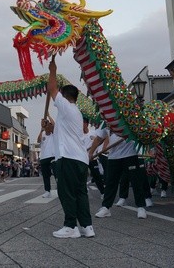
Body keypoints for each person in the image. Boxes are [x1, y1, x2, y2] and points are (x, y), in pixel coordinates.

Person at [47, 58, 94, 239]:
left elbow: (52, 88)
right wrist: (48, 127)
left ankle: (70, 226)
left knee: (66, 192)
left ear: (65, 96)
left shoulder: (66, 107)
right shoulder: (74, 113)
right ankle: (87, 226)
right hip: (80, 159)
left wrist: (53, 70)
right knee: (80, 192)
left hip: (68, 158)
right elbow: (57, 131)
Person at [89, 130, 147, 220]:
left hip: (130, 154)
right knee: (110, 183)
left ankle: (141, 207)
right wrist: (90, 153)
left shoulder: (129, 117)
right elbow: (98, 138)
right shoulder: (107, 121)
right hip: (113, 156)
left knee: (136, 181)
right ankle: (106, 207)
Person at [38, 116, 56, 198]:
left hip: (53, 156)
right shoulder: (42, 133)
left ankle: (61, 189)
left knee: (57, 174)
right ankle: (47, 191)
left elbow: (54, 124)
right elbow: (38, 140)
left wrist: (48, 115)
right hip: (44, 157)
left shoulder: (53, 133)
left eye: (45, 123)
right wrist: (41, 130)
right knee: (46, 176)